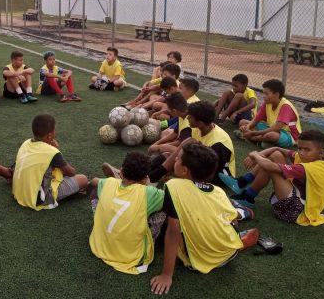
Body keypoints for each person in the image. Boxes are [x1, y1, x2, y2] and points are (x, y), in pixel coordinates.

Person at [150, 144, 259, 295]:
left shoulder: (173, 185)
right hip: (227, 252)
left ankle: (240, 218)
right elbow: (232, 222)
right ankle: (239, 219)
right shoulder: (218, 191)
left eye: (178, 159)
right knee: (224, 213)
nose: (175, 158)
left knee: (160, 216)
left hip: (201, 260)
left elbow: (173, 232)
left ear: (184, 170)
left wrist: (166, 275)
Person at [221, 130, 324, 227]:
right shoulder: (309, 158)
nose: (302, 153)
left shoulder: (314, 167)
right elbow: (279, 151)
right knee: (275, 155)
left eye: (307, 149)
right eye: (299, 148)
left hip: (296, 212)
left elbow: (269, 166)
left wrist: (255, 155)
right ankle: (243, 186)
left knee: (270, 167)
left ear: (321, 152)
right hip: (297, 200)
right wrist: (265, 151)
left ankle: (246, 193)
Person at [89, 152, 165, 274]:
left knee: (96, 191)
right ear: (144, 179)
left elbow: (94, 181)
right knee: (163, 209)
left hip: (98, 246)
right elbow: (171, 198)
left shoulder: (108, 182)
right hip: (129, 257)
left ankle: (102, 219)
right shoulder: (149, 192)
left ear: (121, 171)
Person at [148, 101, 235, 187]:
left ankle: (153, 177)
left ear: (200, 123)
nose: (188, 118)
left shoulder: (218, 143)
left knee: (181, 152)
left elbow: (211, 172)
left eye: (190, 117)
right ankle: (146, 173)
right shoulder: (197, 129)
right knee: (170, 154)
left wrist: (182, 179)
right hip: (200, 165)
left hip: (217, 177)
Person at [11, 114, 88, 210]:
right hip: (38, 198)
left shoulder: (26, 143)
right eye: (54, 130)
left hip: (19, 191)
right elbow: (71, 172)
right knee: (83, 179)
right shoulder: (51, 152)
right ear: (49, 135)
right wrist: (54, 149)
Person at [238, 79, 301, 148]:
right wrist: (247, 127)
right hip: (271, 128)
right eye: (263, 93)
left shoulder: (285, 106)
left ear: (277, 94)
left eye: (266, 94)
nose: (263, 96)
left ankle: (248, 137)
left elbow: (276, 128)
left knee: (270, 135)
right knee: (243, 122)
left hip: (289, 135)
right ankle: (263, 141)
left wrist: (253, 133)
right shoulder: (267, 103)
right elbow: (256, 120)